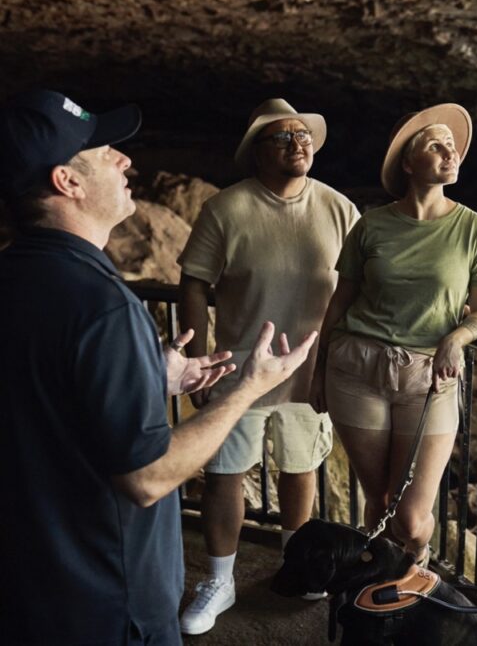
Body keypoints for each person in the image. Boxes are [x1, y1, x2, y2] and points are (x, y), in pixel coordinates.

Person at [0, 89, 316, 645]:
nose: (125, 160)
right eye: (103, 152)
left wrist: (151, 378)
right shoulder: (103, 306)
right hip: (108, 604)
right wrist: (249, 388)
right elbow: (147, 478)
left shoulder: (17, 277)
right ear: (66, 182)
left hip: (30, 589)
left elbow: (46, 401)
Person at [176, 98, 360, 634]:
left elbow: (357, 288)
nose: (298, 142)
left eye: (303, 135)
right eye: (283, 137)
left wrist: (334, 363)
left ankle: (295, 566)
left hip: (309, 370)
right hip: (239, 369)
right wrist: (198, 359)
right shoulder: (225, 209)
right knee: (224, 474)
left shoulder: (339, 207)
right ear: (257, 151)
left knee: (300, 469)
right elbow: (194, 282)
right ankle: (219, 580)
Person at [311, 103, 477, 565]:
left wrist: (455, 339)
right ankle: (381, 593)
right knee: (378, 502)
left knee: (413, 518)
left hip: (428, 379)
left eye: (453, 147)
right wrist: (316, 372)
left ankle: (415, 577)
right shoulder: (372, 225)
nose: (450, 152)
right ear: (407, 162)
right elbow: (339, 303)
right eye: (436, 145)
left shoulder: (474, 229)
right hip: (356, 370)